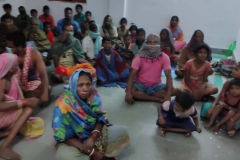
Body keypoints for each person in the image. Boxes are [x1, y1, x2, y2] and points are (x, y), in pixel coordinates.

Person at [53, 69, 130, 160]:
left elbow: (101, 118)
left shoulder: (93, 95)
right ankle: (99, 155)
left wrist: (92, 137)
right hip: (74, 142)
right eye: (80, 85)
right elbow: (64, 137)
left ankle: (95, 155)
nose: (85, 89)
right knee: (63, 157)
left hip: (94, 135)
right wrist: (92, 152)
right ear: (73, 86)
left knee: (122, 132)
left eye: (88, 84)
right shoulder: (62, 105)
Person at [0, 53, 40, 160]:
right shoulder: (2, 81)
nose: (18, 65)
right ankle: (5, 146)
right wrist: (23, 102)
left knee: (27, 109)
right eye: (15, 64)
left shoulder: (11, 76)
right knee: (28, 110)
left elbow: (16, 92)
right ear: (8, 68)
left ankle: (6, 133)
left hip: (8, 112)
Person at [125, 34, 178, 104]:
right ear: (146, 44)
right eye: (150, 42)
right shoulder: (138, 57)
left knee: (175, 90)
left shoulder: (164, 57)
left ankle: (144, 96)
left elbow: (168, 76)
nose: (152, 45)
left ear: (159, 44)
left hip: (156, 85)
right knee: (130, 91)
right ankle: (155, 98)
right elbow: (131, 75)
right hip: (140, 84)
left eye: (155, 42)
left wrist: (168, 94)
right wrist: (128, 93)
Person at [6, 31, 51, 103]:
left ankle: (24, 100)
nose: (8, 49)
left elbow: (43, 75)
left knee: (47, 88)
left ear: (19, 47)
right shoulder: (7, 55)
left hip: (31, 86)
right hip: (14, 87)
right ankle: (25, 100)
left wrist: (45, 93)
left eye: (10, 47)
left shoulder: (34, 54)